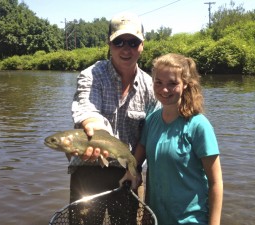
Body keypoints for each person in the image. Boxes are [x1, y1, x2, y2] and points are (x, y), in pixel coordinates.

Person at [69, 11, 160, 223]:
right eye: (119, 42)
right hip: (88, 168)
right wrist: (93, 126)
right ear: (109, 45)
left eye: (132, 42)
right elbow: (87, 107)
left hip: (128, 171)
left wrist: (133, 168)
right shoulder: (91, 74)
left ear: (142, 45)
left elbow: (148, 135)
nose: (126, 49)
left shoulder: (151, 86)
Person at [121, 53, 223, 225]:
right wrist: (132, 171)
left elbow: (216, 182)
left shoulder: (199, 126)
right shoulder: (152, 120)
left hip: (191, 220)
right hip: (155, 217)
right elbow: (140, 152)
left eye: (173, 84)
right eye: (158, 82)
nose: (164, 89)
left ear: (185, 85)